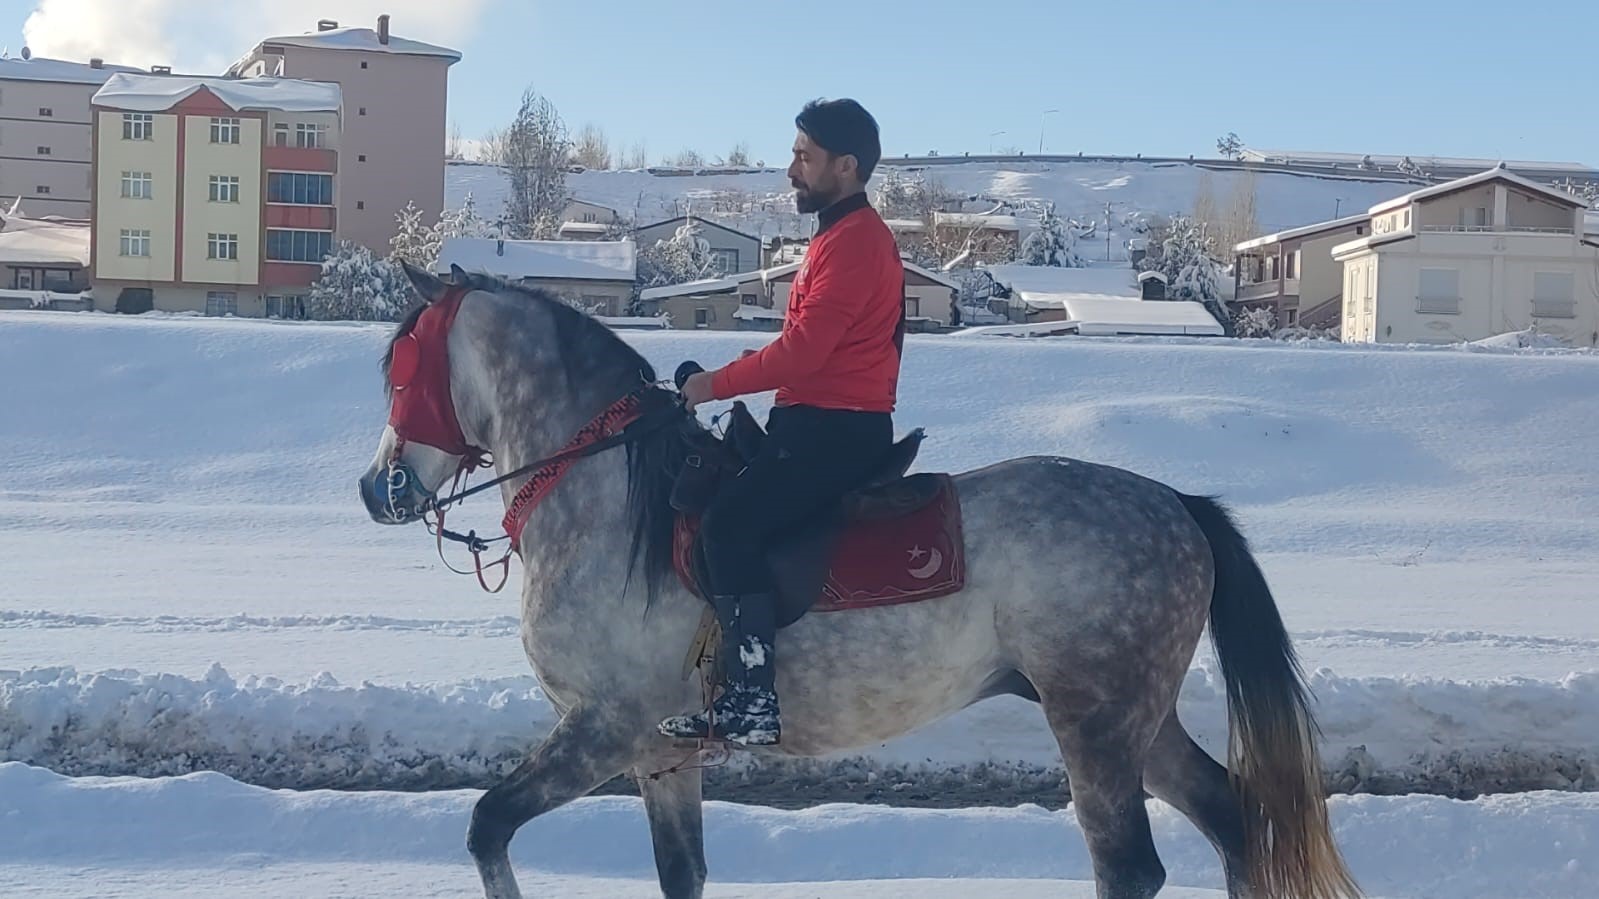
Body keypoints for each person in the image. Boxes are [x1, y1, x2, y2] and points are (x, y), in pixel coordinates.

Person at [658, 98, 906, 746]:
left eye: (804, 156)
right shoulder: (836, 235)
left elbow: (801, 354)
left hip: (833, 431)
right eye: (794, 153)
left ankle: (751, 703)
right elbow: (796, 346)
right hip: (816, 421)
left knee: (728, 526)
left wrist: (711, 386)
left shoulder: (854, 242)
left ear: (845, 166)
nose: (791, 168)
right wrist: (710, 379)